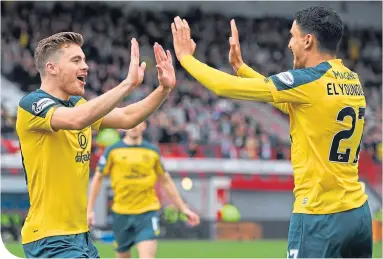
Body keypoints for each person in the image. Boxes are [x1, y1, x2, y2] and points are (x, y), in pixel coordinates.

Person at [170, 6, 372, 258]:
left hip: (320, 214)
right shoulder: (351, 80)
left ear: (308, 40)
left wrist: (186, 59)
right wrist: (243, 68)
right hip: (357, 212)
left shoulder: (308, 80)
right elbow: (290, 103)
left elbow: (222, 87)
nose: (289, 44)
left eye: (292, 36)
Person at [16, 31, 177, 258]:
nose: (86, 66)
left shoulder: (77, 103)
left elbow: (127, 117)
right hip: (49, 238)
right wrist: (128, 84)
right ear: (51, 68)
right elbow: (75, 120)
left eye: (84, 59)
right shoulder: (32, 104)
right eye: (76, 60)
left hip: (80, 236)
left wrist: (163, 90)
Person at [87, 121, 200, 258]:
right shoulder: (113, 150)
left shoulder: (152, 151)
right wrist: (89, 210)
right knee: (123, 255)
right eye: (132, 122)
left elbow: (165, 181)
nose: (134, 126)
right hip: (121, 213)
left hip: (147, 213)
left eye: (138, 122)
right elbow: (98, 178)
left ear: (144, 126)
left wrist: (183, 208)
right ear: (124, 126)